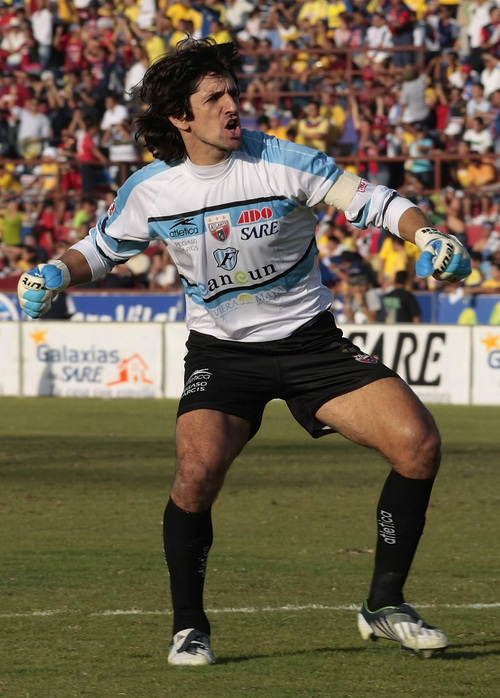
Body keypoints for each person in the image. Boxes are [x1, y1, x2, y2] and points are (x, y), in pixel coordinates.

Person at [17, 39, 471, 667]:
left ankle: (385, 603)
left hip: (312, 343)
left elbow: (377, 202)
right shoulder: (151, 189)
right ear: (182, 116)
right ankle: (189, 626)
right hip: (222, 354)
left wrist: (429, 234)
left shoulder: (285, 162)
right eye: (216, 97)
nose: (234, 105)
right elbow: (100, 248)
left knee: (418, 445)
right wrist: (53, 273)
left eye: (233, 91)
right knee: (196, 474)